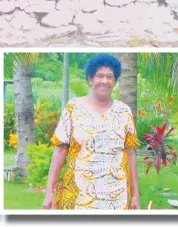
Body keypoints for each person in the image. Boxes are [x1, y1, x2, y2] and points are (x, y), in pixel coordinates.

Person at [42, 54, 140, 210]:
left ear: (114, 81)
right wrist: (49, 192)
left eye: (110, 77)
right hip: (78, 195)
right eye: (100, 76)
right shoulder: (73, 107)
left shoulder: (124, 111)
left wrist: (135, 195)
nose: (105, 81)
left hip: (116, 197)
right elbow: (60, 150)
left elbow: (131, 154)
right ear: (90, 79)